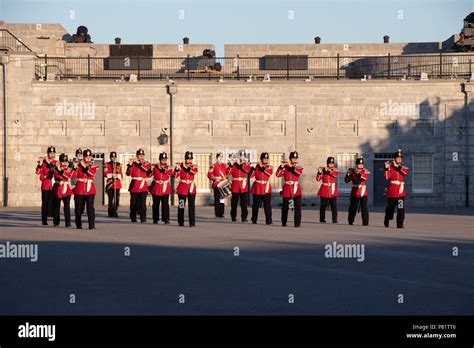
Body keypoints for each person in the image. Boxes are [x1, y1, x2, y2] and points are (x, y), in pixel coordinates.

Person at [276, 151, 303, 227]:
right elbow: (278, 175)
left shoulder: (299, 167)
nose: (294, 160)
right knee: (285, 207)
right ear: (290, 159)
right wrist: (281, 167)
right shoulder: (285, 168)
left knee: (297, 207)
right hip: (287, 188)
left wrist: (290, 166)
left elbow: (297, 173)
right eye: (293, 158)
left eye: (296, 158)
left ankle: (297, 223)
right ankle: (284, 222)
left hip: (296, 189)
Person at [384, 148, 409, 229]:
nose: (399, 159)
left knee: (401, 208)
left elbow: (405, 173)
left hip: (401, 192)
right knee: (390, 208)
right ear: (394, 159)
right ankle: (387, 218)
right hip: (392, 191)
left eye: (400, 158)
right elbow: (387, 177)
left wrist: (395, 166)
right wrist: (386, 168)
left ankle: (400, 224)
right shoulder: (390, 168)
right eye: (398, 158)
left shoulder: (403, 168)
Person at [73, 149, 98, 229]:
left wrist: (84, 166)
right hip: (80, 188)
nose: (88, 158)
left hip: (90, 188)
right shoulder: (78, 165)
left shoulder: (92, 166)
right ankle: (78, 223)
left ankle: (91, 224)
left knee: (90, 208)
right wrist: (74, 167)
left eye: (89, 157)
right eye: (86, 157)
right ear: (84, 157)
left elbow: (91, 173)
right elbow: (73, 175)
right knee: (78, 208)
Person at [51, 153, 77, 227]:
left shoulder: (68, 168)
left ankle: (68, 223)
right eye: (63, 161)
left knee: (67, 207)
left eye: (66, 161)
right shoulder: (56, 168)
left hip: (66, 188)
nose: (65, 163)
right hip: (58, 187)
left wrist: (62, 172)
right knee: (57, 206)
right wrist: (60, 171)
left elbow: (70, 175)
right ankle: (56, 222)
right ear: (60, 161)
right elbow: (57, 176)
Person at [127, 148, 152, 223]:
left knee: (142, 203)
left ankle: (143, 218)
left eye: (142, 155)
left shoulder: (146, 163)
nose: (141, 157)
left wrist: (138, 164)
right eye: (139, 155)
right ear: (137, 156)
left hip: (142, 185)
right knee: (133, 203)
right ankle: (133, 217)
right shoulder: (133, 164)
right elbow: (128, 173)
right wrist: (130, 165)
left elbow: (147, 171)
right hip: (134, 185)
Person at [174, 151, 198, 227]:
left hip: (191, 187)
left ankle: (192, 223)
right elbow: (175, 176)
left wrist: (186, 168)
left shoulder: (194, 166)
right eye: (188, 159)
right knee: (181, 205)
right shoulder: (180, 166)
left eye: (190, 159)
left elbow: (194, 171)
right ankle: (180, 222)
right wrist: (176, 170)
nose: (189, 161)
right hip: (182, 188)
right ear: (185, 159)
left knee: (192, 206)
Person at [344, 156, 369, 226]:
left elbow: (364, 178)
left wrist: (355, 172)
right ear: (356, 164)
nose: (361, 165)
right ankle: (350, 220)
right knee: (353, 207)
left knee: (364, 207)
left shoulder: (365, 171)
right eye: (359, 164)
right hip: (355, 190)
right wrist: (348, 174)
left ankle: (365, 222)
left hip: (363, 191)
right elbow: (346, 181)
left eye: (362, 164)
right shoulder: (352, 171)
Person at [36, 146, 57, 225]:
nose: (52, 154)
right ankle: (44, 220)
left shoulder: (56, 162)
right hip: (45, 185)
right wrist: (40, 165)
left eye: (53, 153)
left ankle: (55, 220)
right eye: (50, 153)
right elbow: (38, 172)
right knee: (45, 203)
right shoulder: (43, 162)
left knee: (54, 203)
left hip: (54, 185)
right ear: (48, 154)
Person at [250, 152, 273, 225]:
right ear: (261, 159)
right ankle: (254, 219)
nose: (266, 160)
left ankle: (269, 220)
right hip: (257, 187)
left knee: (267, 205)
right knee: (255, 205)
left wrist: (262, 168)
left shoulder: (269, 167)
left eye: (267, 159)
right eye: (264, 159)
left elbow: (269, 173)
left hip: (266, 187)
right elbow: (250, 176)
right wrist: (253, 168)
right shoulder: (257, 167)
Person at [150, 152, 173, 224]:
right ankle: (155, 218)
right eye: (163, 160)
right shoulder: (155, 167)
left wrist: (164, 170)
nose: (164, 161)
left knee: (165, 204)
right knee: (156, 204)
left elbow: (170, 173)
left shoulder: (168, 167)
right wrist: (150, 170)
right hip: (156, 187)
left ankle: (166, 218)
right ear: (160, 160)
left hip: (165, 187)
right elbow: (149, 175)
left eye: (165, 160)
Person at [229, 150, 251, 223]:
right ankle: (233, 216)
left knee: (244, 203)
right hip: (235, 185)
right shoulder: (234, 165)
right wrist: (231, 165)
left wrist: (241, 165)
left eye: (243, 156)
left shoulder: (246, 164)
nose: (242, 157)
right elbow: (227, 173)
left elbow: (247, 171)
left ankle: (244, 217)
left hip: (243, 185)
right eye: (241, 156)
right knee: (234, 202)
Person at [316, 156, 339, 223]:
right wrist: (320, 172)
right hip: (325, 189)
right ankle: (322, 219)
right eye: (330, 163)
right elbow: (318, 179)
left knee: (334, 206)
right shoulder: (323, 169)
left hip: (332, 190)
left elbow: (335, 175)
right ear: (327, 163)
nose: (331, 165)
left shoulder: (334, 170)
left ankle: (334, 219)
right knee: (323, 205)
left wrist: (328, 171)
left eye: (332, 163)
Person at [207, 152, 230, 218]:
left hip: (223, 184)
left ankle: (221, 213)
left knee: (222, 199)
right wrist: (214, 178)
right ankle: (217, 213)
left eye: (221, 157)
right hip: (216, 184)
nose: (220, 158)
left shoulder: (225, 165)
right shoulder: (213, 166)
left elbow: (227, 173)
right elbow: (209, 175)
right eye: (219, 157)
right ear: (217, 158)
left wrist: (226, 177)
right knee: (217, 199)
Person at [104, 151, 122, 217]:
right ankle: (110, 212)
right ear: (110, 157)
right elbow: (105, 174)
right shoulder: (107, 164)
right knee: (110, 199)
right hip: (110, 184)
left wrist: (117, 176)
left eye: (114, 157)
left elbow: (121, 175)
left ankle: (116, 211)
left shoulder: (119, 165)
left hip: (117, 184)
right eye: (112, 157)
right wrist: (112, 175)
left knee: (117, 199)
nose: (113, 158)